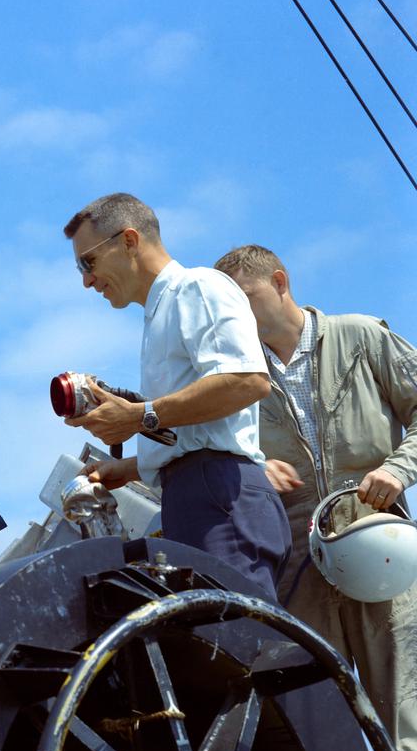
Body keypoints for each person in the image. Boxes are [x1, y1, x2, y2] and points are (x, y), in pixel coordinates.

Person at [215, 242, 417, 751]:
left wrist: (398, 469)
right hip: (298, 565)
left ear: (280, 282)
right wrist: (252, 472)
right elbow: (213, 457)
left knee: (409, 723)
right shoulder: (236, 378)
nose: (238, 315)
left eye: (246, 298)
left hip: (379, 547)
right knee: (314, 734)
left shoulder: (361, 337)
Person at [62, 192, 290, 599]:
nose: (86, 279)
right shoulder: (162, 311)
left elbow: (247, 381)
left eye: (88, 262)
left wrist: (137, 416)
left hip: (218, 495)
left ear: (129, 241)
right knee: (215, 651)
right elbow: (202, 427)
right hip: (197, 495)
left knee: (238, 647)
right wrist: (131, 467)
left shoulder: (197, 287)